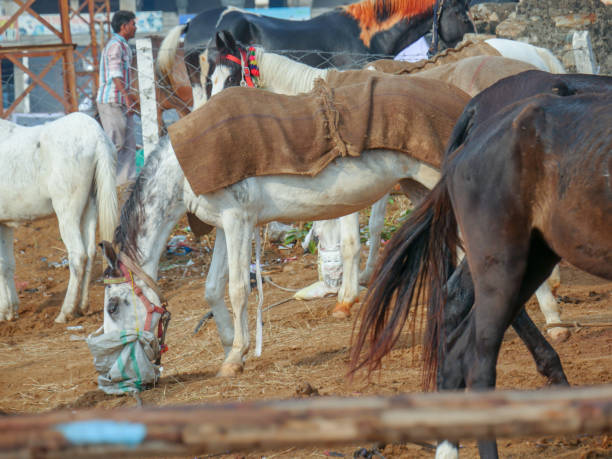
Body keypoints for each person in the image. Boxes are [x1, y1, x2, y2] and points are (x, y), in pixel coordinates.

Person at [96, 10, 138, 185]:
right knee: (115, 144)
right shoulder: (115, 46)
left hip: (120, 101)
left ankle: (125, 184)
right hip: (112, 101)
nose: (135, 27)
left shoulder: (124, 46)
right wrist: (128, 97)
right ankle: (105, 183)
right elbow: (115, 74)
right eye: (133, 24)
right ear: (124, 26)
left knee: (129, 144)